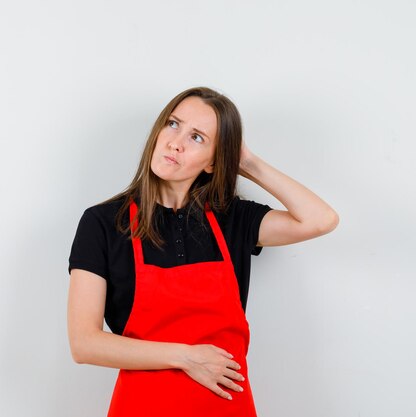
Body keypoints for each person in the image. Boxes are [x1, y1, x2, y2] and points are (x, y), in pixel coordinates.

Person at [66, 86, 339, 416]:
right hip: (143, 405)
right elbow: (84, 343)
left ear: (214, 162)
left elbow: (321, 220)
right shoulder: (104, 223)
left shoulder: (232, 219)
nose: (175, 142)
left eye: (197, 138)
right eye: (173, 124)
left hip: (224, 406)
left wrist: (248, 162)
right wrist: (186, 357)